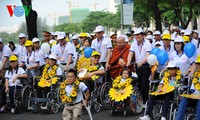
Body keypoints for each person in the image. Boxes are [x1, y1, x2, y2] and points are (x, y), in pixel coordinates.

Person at [126, 28, 152, 104]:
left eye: (138, 35)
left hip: (146, 65)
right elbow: (130, 53)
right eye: (135, 35)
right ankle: (140, 101)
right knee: (139, 84)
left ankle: (145, 101)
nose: (137, 36)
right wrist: (128, 62)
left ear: (143, 35)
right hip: (138, 66)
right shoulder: (134, 43)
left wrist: (142, 62)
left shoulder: (147, 43)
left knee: (144, 84)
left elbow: (147, 55)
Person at [176, 55, 200, 120]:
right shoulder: (195, 75)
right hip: (193, 96)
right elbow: (192, 89)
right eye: (198, 64)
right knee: (184, 99)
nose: (199, 66)